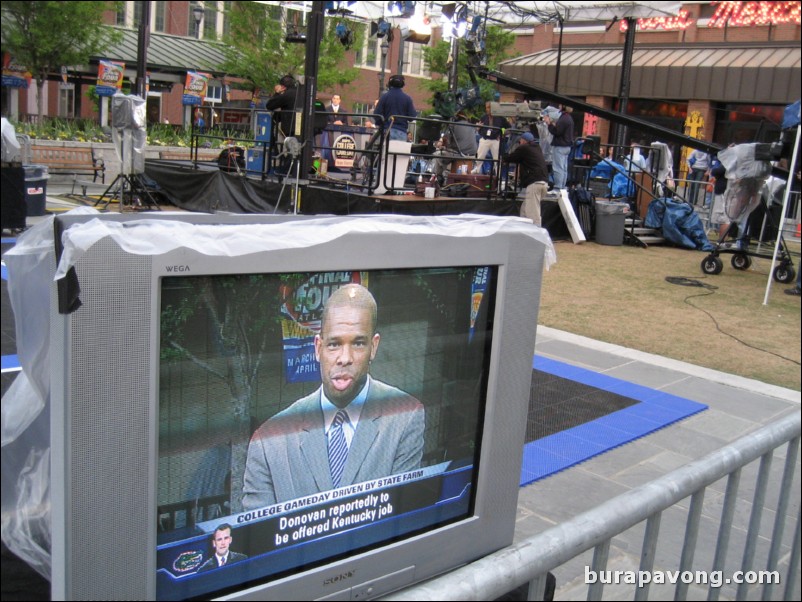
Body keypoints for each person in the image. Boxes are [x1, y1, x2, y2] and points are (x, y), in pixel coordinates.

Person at [242, 284, 425, 509]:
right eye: (334, 344)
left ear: (374, 347)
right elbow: (262, 538)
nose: (344, 358)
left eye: (358, 343)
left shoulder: (404, 416)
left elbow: (401, 519)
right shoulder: (269, 441)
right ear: (318, 348)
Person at [503, 131, 549, 227]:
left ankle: (537, 234)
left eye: (520, 141)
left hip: (534, 183)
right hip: (544, 183)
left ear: (523, 141)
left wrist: (503, 155)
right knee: (524, 210)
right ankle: (523, 230)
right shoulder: (537, 148)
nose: (519, 142)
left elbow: (511, 157)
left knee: (533, 214)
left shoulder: (524, 148)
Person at [431, 111, 478, 179]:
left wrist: (444, 146)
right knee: (446, 155)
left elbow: (447, 140)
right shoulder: (471, 126)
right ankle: (444, 175)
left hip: (460, 153)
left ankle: (438, 177)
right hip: (472, 154)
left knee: (437, 155)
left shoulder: (453, 125)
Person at [373, 75, 417, 141]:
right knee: (397, 151)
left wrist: (381, 124)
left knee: (383, 150)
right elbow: (412, 117)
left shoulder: (384, 97)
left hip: (386, 130)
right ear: (402, 84)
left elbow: (377, 114)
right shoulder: (407, 99)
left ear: (390, 83)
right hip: (401, 132)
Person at [472, 102, 510, 174]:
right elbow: (479, 128)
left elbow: (508, 128)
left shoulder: (500, 117)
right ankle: (477, 169)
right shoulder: (484, 117)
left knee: (496, 159)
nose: (487, 109)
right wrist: (478, 127)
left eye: (489, 107)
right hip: (485, 139)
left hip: (495, 140)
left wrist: (501, 133)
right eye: (486, 107)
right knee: (480, 156)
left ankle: (498, 174)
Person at [544, 104, 574, 190]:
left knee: (558, 167)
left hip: (560, 146)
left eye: (561, 105)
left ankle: (558, 187)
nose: (559, 106)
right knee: (564, 168)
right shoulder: (569, 118)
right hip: (567, 146)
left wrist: (549, 124)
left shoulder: (563, 118)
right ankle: (562, 186)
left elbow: (557, 132)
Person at [265, 75, 299, 140]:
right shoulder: (301, 92)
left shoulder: (286, 95)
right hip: (302, 127)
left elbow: (269, 105)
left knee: (277, 131)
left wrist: (277, 93)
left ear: (282, 86)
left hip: (289, 128)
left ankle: (282, 149)